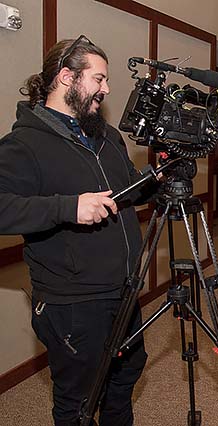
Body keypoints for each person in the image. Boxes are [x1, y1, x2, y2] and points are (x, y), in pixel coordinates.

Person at [0, 36, 150, 425]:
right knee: (79, 399)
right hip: (73, 303)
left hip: (125, 289)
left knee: (124, 377)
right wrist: (68, 207)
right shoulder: (23, 144)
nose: (107, 89)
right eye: (99, 79)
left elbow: (124, 191)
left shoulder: (107, 136)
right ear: (67, 77)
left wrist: (155, 179)